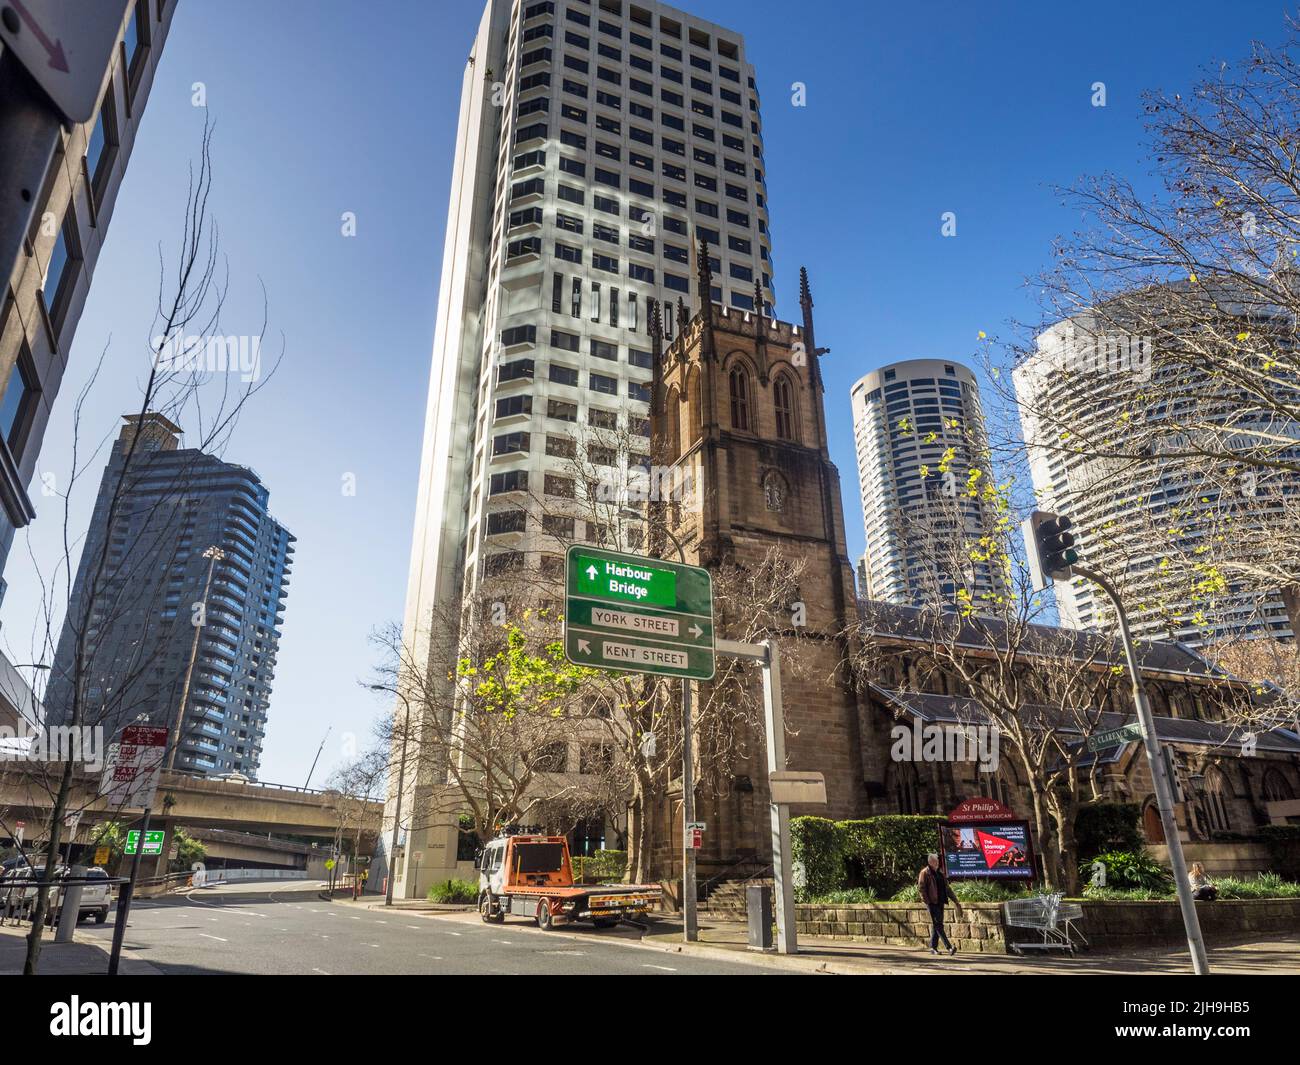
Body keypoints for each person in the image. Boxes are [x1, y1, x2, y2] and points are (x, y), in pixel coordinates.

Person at [918, 853, 962, 955]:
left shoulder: (940, 873)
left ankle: (933, 948)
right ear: (930, 862)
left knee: (936, 925)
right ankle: (949, 947)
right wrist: (927, 902)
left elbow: (947, 888)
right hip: (932, 903)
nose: (937, 862)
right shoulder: (925, 873)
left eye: (937, 861)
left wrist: (955, 900)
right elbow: (921, 889)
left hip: (940, 902)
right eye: (935, 861)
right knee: (938, 925)